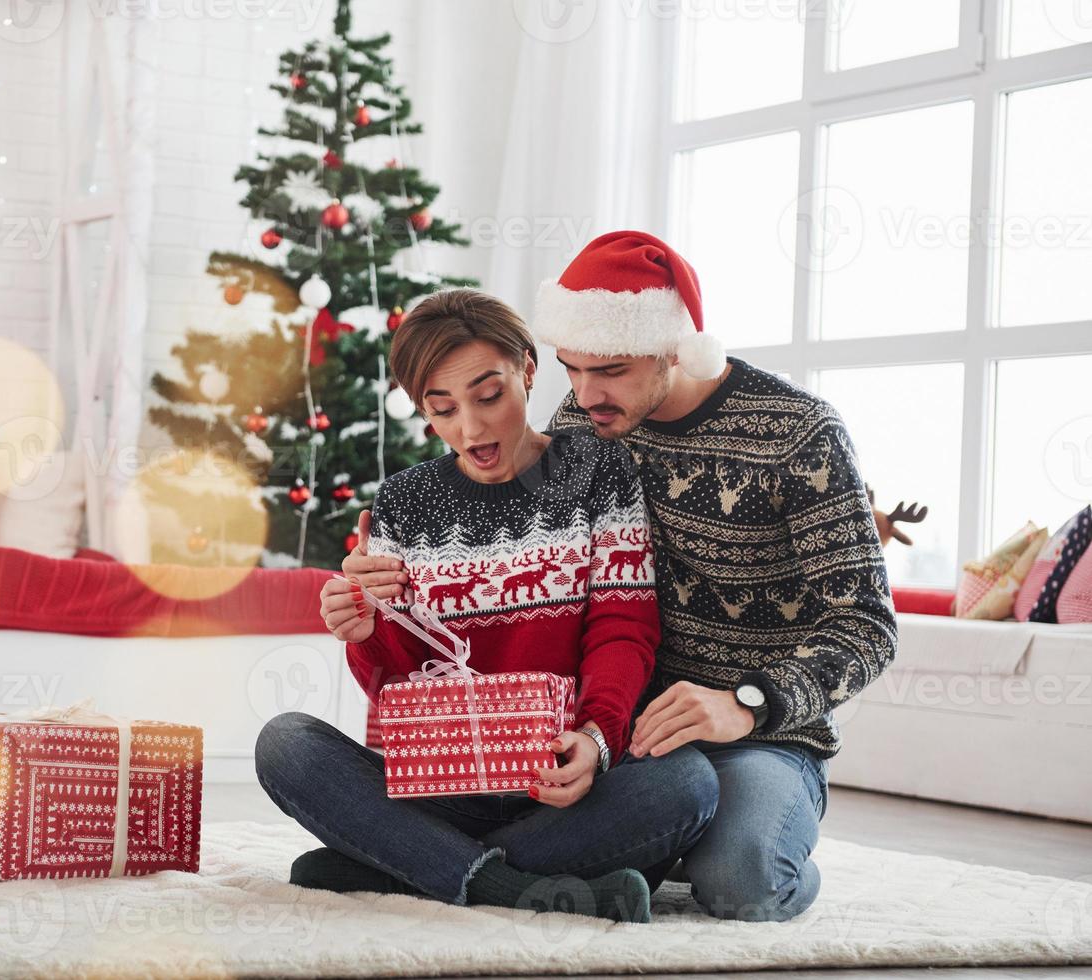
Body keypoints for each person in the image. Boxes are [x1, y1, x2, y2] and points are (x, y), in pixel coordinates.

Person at [345, 232, 898, 922]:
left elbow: (867, 627)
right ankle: (508, 864)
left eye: (609, 370)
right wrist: (386, 597)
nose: (584, 394)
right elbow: (523, 578)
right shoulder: (584, 420)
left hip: (757, 731)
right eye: (570, 369)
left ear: (674, 346)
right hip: (624, 729)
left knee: (742, 881)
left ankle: (419, 861)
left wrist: (746, 701)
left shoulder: (798, 433)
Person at [254, 288, 720, 923]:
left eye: (489, 395)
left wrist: (594, 739)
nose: (470, 429)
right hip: (445, 784)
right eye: (441, 409)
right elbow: (399, 680)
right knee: (285, 744)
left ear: (528, 370)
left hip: (564, 783)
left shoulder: (598, 472)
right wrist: (366, 630)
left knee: (686, 784)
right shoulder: (404, 501)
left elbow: (623, 630)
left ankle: (405, 866)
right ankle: (508, 886)